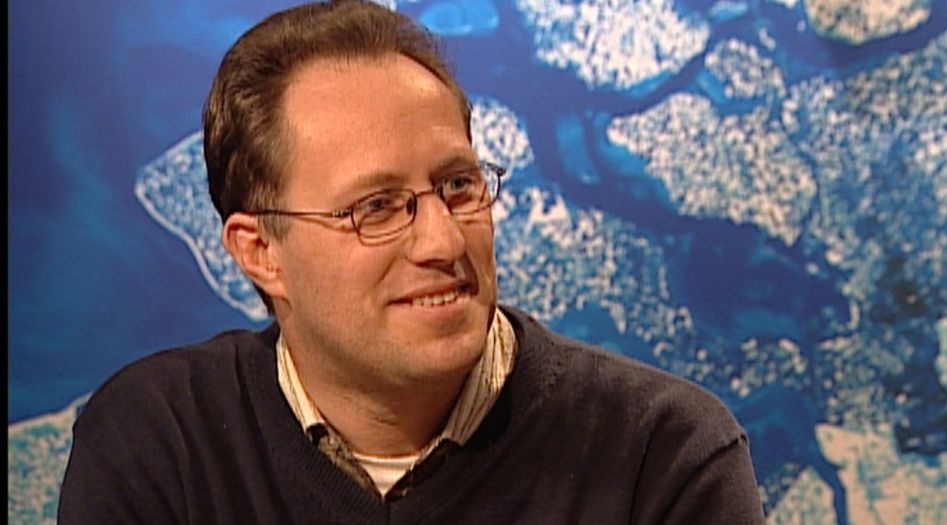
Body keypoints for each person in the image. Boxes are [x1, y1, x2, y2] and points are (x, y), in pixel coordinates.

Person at [58, 1, 765, 523]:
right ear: (261, 251)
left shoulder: (664, 457)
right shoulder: (158, 442)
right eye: (376, 207)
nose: (443, 242)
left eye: (458, 186)